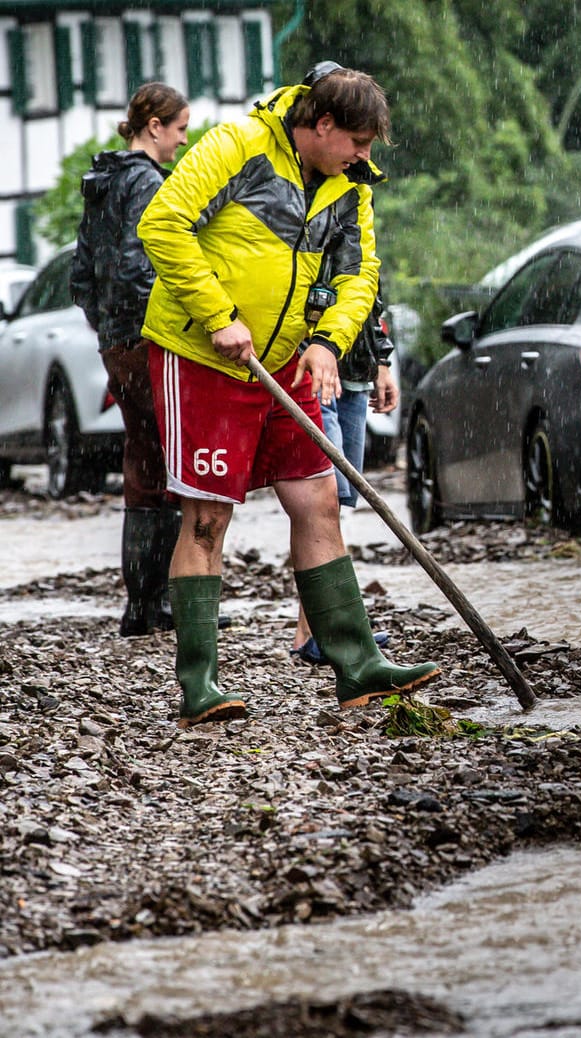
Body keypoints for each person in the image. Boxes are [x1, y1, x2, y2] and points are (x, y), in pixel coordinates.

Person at [136, 61, 438, 728]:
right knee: (209, 517)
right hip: (203, 356)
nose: (364, 158)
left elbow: (361, 273)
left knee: (318, 498)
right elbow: (162, 225)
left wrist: (328, 341)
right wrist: (218, 315)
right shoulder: (235, 146)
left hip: (286, 361)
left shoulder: (347, 181)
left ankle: (357, 668)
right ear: (322, 124)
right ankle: (200, 686)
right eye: (357, 142)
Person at [68, 83, 190, 636]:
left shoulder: (103, 180)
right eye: (181, 130)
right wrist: (158, 325)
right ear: (155, 126)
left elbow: (82, 273)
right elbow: (139, 264)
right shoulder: (145, 182)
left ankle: (140, 606)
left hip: (115, 343)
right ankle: (164, 601)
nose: (183, 142)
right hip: (147, 342)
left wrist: (107, 328)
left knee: (142, 462)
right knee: (174, 462)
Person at [290, 292, 398, 664]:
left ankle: (316, 628)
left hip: (354, 375)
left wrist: (380, 363)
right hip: (315, 366)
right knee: (324, 497)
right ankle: (323, 629)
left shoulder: (360, 234)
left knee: (339, 503)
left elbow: (370, 297)